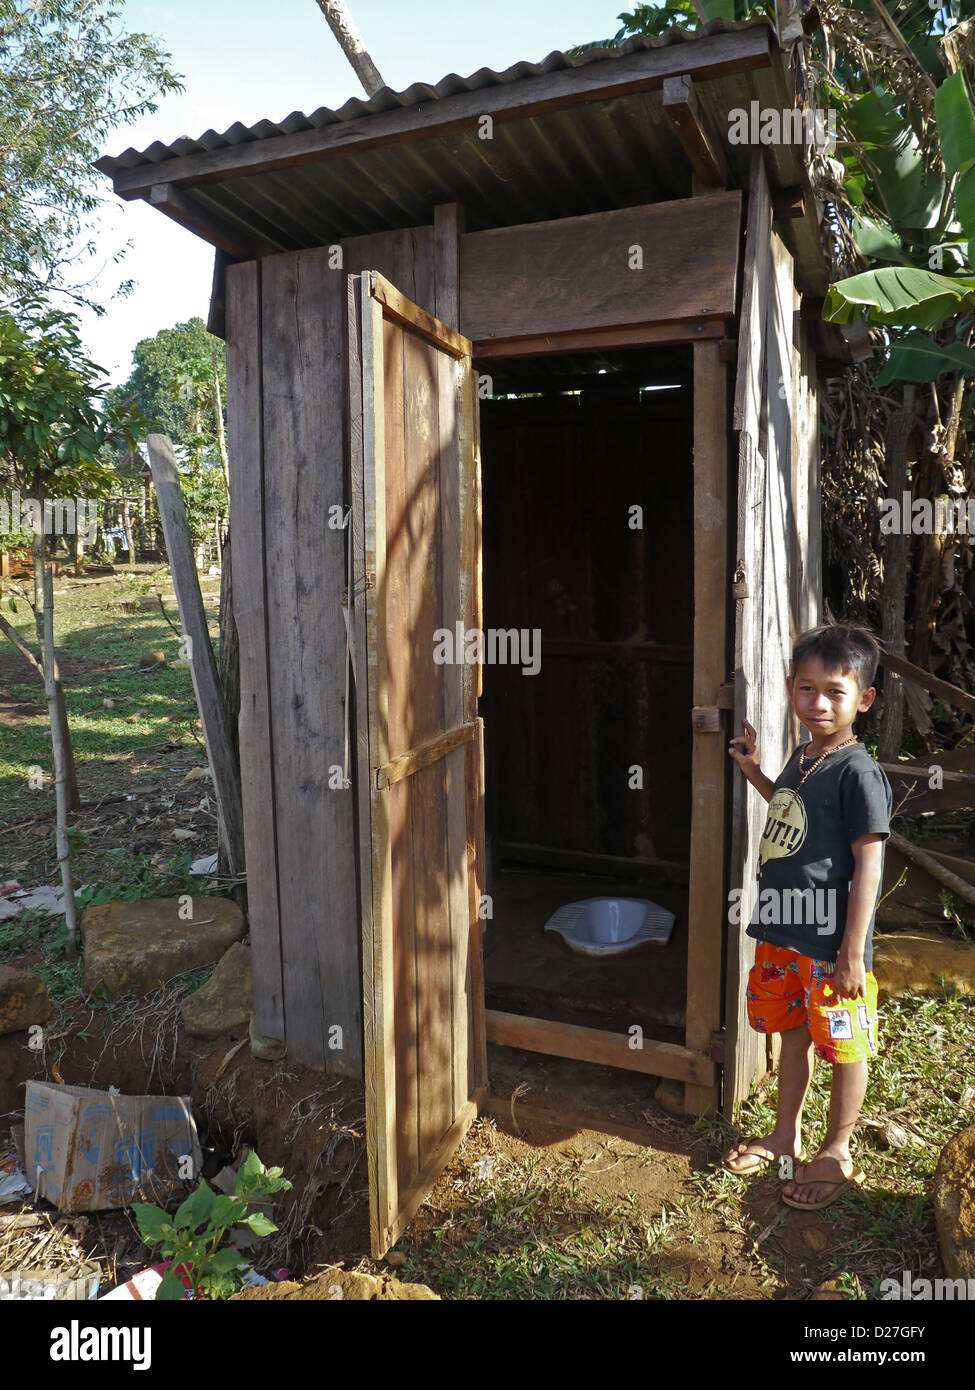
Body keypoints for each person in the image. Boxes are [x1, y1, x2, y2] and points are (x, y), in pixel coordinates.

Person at [722, 623, 893, 1209]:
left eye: (835, 692)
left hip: (830, 950)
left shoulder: (859, 773)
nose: (818, 703)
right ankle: (784, 1133)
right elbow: (797, 817)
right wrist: (756, 773)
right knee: (792, 1038)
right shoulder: (806, 756)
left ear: (863, 700)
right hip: (784, 935)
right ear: (792, 687)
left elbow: (868, 866)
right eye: (806, 688)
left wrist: (851, 952)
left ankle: (837, 1149)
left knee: (844, 1049)